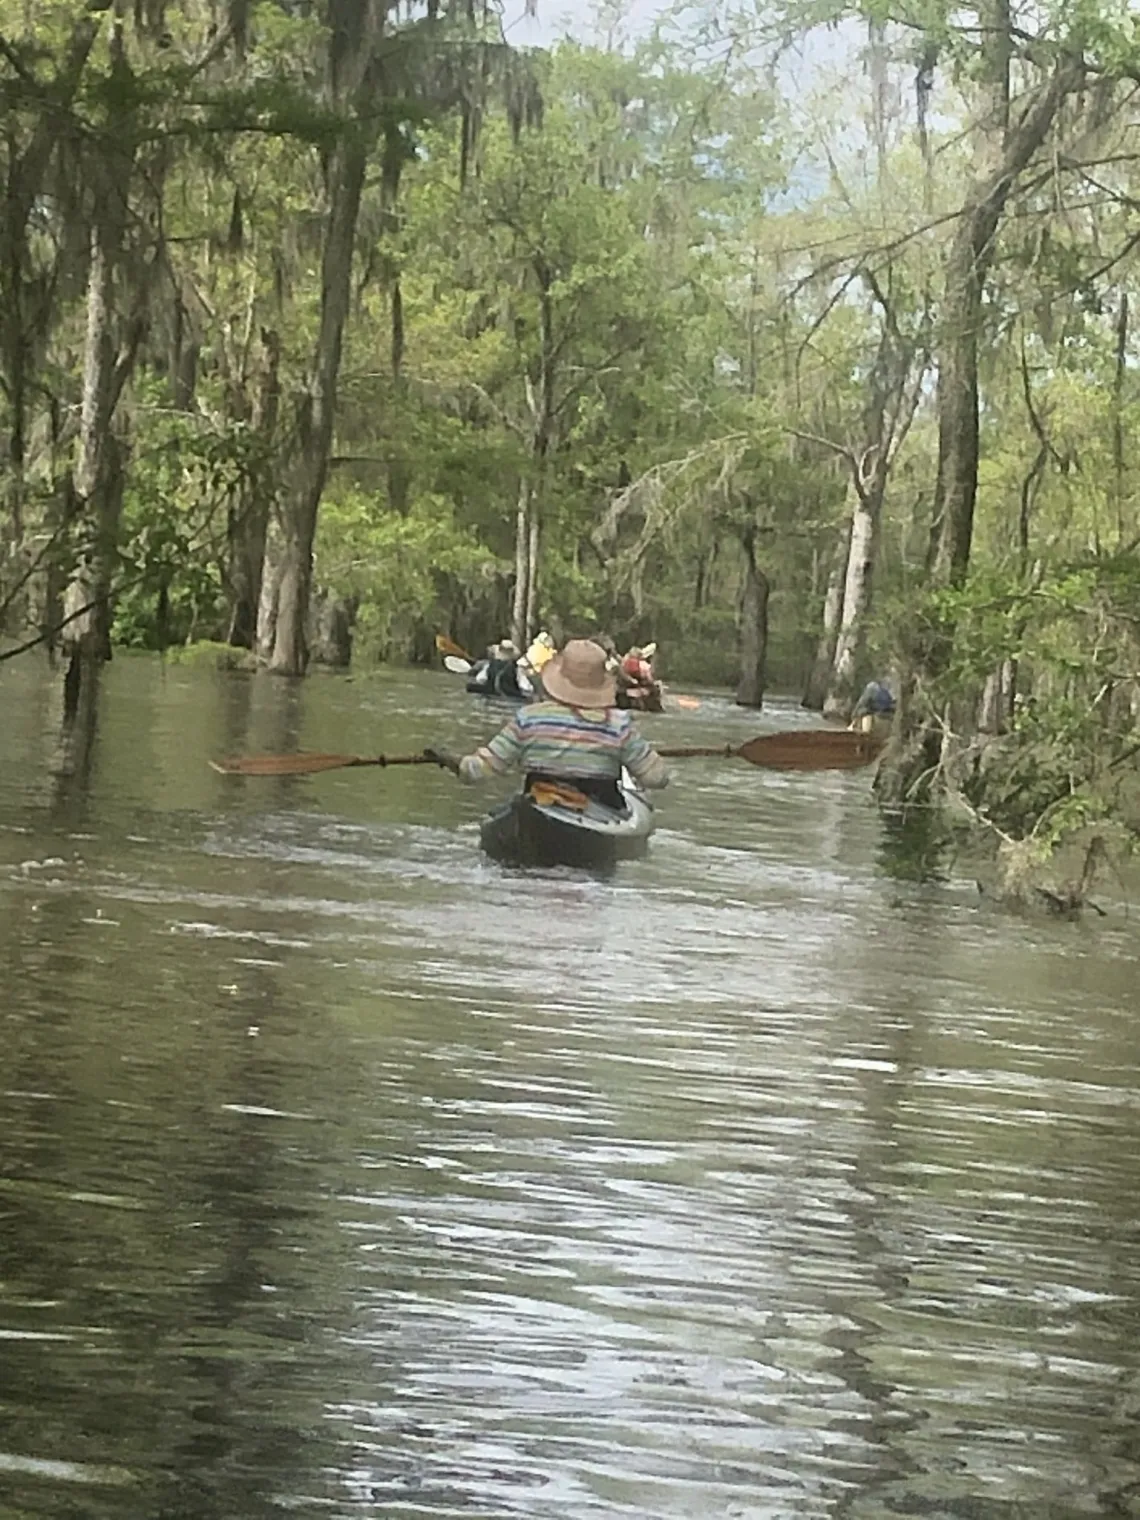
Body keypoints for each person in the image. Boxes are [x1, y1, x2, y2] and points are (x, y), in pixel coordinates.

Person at [426, 638, 668, 809]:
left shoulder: (528, 718)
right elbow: (656, 778)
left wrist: (449, 760)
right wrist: (645, 759)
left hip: (539, 802)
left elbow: (477, 771)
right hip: (600, 808)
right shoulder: (619, 725)